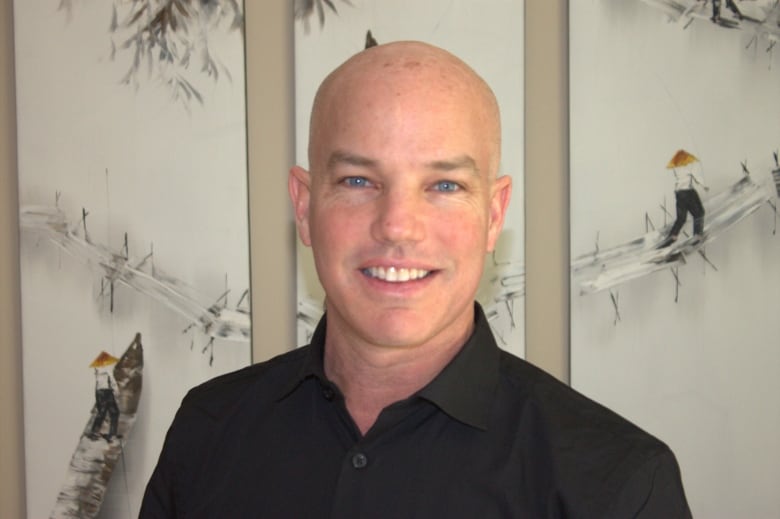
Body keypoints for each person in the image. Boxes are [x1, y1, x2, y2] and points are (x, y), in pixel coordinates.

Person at [140, 41, 691, 518]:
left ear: (494, 215)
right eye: (358, 180)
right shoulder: (207, 430)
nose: (397, 226)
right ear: (305, 208)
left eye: (445, 185)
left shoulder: (620, 487)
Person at [659, 149, 709, 249]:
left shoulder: (676, 167)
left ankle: (672, 237)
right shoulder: (689, 165)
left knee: (681, 218)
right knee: (699, 213)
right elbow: (697, 177)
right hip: (688, 192)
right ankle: (697, 235)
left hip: (679, 193)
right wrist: (704, 186)